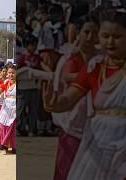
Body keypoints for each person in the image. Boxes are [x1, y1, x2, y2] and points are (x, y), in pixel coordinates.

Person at [44, 10, 126, 180]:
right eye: (105, 36)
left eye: (117, 37)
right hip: (97, 137)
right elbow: (69, 98)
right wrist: (54, 104)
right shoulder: (95, 67)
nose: (110, 42)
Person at [52, 15, 99, 180]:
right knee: (66, 170)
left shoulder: (104, 59)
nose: (90, 37)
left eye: (95, 33)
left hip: (97, 128)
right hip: (71, 124)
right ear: (77, 33)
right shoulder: (70, 58)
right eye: (86, 32)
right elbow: (65, 77)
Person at [0, 64, 16, 154]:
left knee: (13, 128)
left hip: (16, 109)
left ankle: (14, 146)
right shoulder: (6, 83)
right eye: (9, 73)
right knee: (4, 127)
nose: (11, 75)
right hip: (6, 108)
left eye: (13, 73)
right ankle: (4, 146)